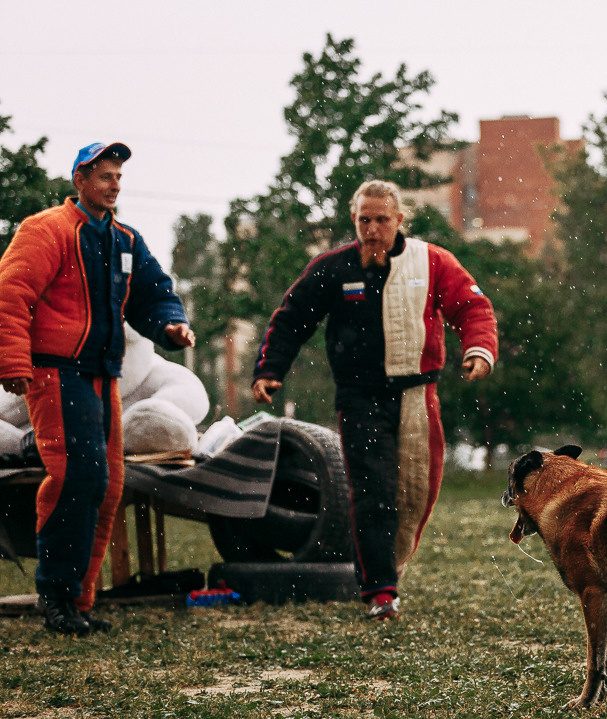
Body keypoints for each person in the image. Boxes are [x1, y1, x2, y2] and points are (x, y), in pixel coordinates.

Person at [252, 180, 497, 620]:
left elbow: (472, 307)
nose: (372, 229)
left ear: (399, 220)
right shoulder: (333, 268)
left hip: (417, 393)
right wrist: (271, 369)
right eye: (364, 220)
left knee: (417, 491)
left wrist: (478, 349)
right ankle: (380, 591)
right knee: (373, 490)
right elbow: (291, 318)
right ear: (354, 220)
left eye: (382, 220)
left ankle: (389, 568)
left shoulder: (433, 261)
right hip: (359, 396)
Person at [0, 142, 196, 635]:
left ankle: (79, 601)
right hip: (54, 372)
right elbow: (10, 294)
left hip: (102, 374)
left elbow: (153, 294)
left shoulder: (124, 240)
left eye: (118, 177)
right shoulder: (46, 230)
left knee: (107, 487)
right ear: (80, 180)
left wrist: (171, 325)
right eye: (105, 176)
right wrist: (12, 361)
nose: (114, 185)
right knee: (77, 478)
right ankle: (56, 596)